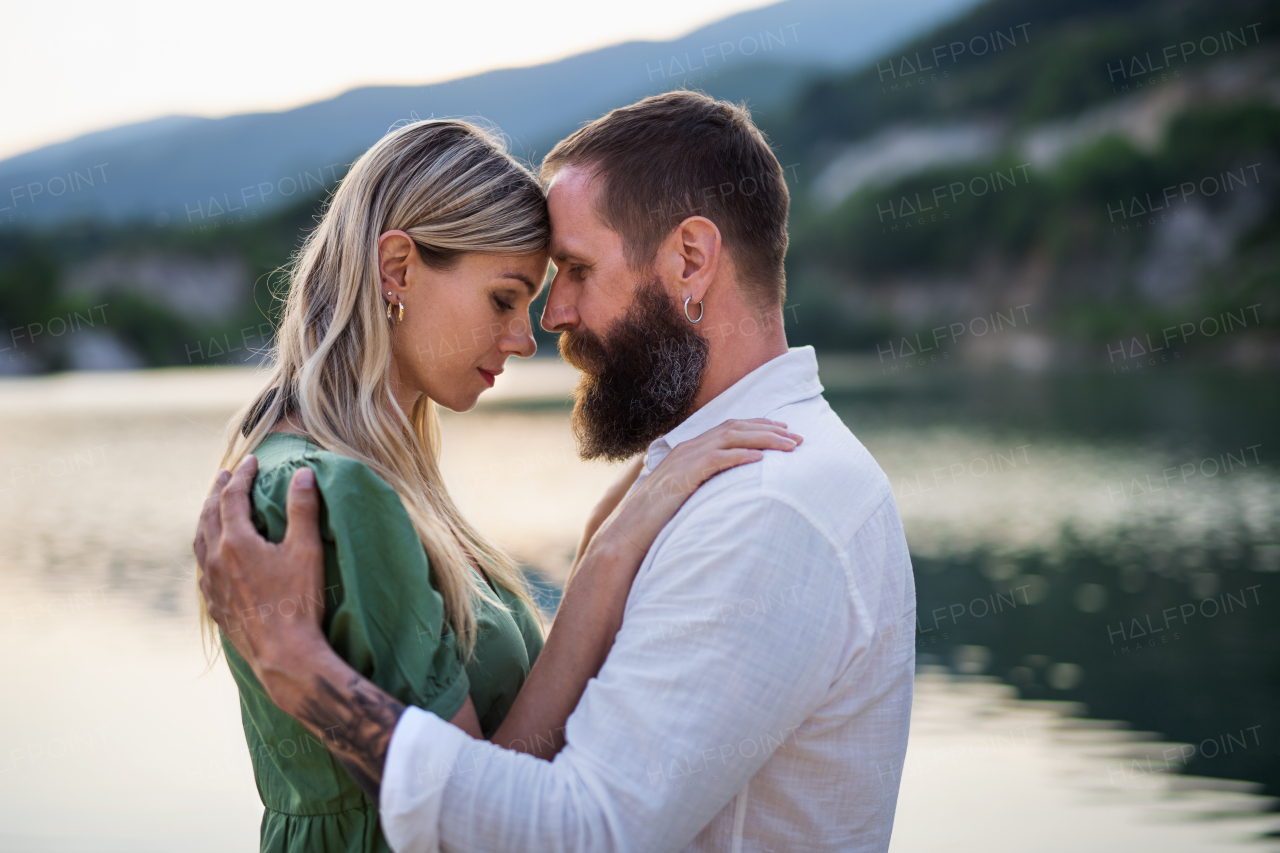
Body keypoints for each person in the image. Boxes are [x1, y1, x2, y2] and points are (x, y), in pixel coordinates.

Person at [198, 91, 916, 852]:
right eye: (511, 295)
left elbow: (577, 826)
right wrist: (604, 559)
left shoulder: (768, 504)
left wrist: (304, 676)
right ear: (398, 269)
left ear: (692, 261)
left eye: (572, 271)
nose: (544, 324)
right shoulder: (330, 489)